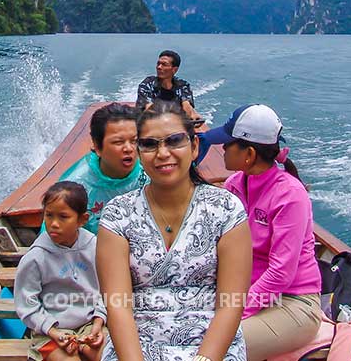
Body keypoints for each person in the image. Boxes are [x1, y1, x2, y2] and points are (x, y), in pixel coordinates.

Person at [97, 102, 252, 361]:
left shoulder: (226, 209)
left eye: (174, 141)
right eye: (149, 144)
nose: (162, 153)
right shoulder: (117, 216)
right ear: (139, 152)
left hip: (211, 349)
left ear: (193, 148)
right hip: (135, 348)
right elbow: (118, 307)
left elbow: (231, 304)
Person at [199, 104, 322, 361]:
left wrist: (233, 312)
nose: (222, 149)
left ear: (249, 153)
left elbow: (281, 273)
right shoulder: (235, 185)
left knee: (212, 346)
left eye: (228, 143)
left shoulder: (290, 195)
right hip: (241, 292)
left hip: (291, 303)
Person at [16, 181, 107, 361]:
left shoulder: (95, 247)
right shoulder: (35, 258)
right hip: (50, 331)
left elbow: (107, 290)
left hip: (89, 324)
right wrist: (53, 331)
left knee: (108, 355)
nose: (54, 224)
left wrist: (98, 323)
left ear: (82, 220)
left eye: (63, 217)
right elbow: (27, 303)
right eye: (49, 216)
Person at [48, 103, 147, 235]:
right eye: (118, 142)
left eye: (134, 141)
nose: (129, 148)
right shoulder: (75, 185)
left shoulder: (150, 172)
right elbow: (53, 238)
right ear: (97, 147)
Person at [136, 50, 204, 126]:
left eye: (164, 64)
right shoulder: (148, 83)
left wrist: (192, 114)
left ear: (174, 69)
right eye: (158, 64)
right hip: (151, 126)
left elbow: (187, 107)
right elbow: (148, 109)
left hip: (177, 127)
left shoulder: (183, 85)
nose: (159, 67)